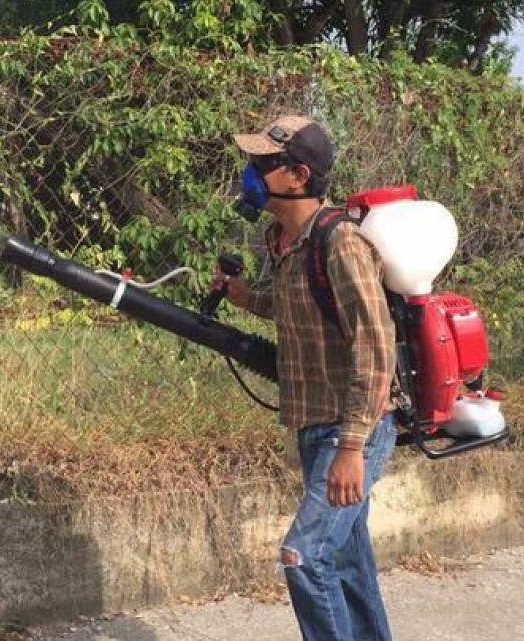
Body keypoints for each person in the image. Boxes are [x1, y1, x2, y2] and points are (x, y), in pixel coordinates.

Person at [215, 115, 398, 641]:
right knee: (346, 562)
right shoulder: (284, 241)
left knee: (304, 556)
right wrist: (247, 299)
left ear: (297, 176)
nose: (250, 174)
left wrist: (352, 447)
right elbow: (301, 307)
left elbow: (375, 344)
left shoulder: (339, 242)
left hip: (353, 428)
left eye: (263, 164)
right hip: (315, 426)